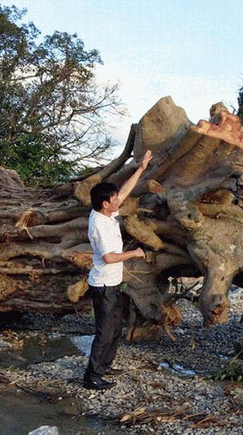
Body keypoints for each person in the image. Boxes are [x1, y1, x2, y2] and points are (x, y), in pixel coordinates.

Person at [83, 150, 152, 390]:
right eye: (113, 199)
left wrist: (141, 168)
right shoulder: (99, 224)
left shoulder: (106, 212)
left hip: (112, 283)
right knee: (104, 332)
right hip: (103, 285)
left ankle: (105, 366)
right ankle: (91, 377)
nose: (117, 201)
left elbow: (124, 192)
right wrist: (134, 253)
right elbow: (109, 257)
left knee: (115, 328)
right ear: (105, 204)